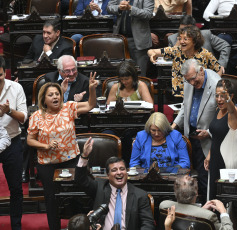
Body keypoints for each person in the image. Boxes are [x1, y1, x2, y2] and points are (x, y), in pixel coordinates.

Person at [27, 74, 98, 230]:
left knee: (84, 190)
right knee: (51, 199)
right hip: (47, 163)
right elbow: (30, 140)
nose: (55, 97)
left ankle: (88, 224)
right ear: (44, 99)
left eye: (57, 94)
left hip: (71, 159)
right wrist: (45, 146)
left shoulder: (69, 108)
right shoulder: (37, 116)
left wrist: (92, 89)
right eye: (50, 95)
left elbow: (90, 105)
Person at [75, 138, 155, 230]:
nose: (119, 173)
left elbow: (148, 224)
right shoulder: (100, 187)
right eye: (114, 170)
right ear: (108, 175)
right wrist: (84, 156)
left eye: (122, 169)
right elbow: (81, 180)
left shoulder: (140, 195)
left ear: (126, 172)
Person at [171, 59, 220, 203]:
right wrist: (173, 126)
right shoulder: (189, 80)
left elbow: (223, 115)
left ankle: (206, 209)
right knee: (188, 175)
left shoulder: (216, 84)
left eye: (193, 79)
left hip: (207, 139)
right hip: (191, 135)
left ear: (201, 70)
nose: (192, 83)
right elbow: (186, 106)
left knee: (205, 178)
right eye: (188, 80)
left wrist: (209, 132)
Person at [148, 25, 222, 97]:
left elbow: (219, 69)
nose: (181, 42)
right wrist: (152, 55)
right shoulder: (176, 51)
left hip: (199, 93)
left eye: (185, 39)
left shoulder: (205, 54)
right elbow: (151, 51)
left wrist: (214, 85)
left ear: (195, 41)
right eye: (180, 39)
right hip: (179, 93)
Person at [0, 56, 27, 230]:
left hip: (13, 142)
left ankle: (16, 226)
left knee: (16, 188)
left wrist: (8, 110)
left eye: (0, 75)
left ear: (5, 72)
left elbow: (24, 118)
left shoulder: (16, 87)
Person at [204, 79, 237, 200]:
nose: (219, 99)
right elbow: (215, 137)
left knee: (225, 197)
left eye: (223, 96)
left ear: (231, 96)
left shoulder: (234, 114)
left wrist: (227, 99)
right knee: (213, 195)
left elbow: (232, 109)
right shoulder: (218, 110)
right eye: (217, 95)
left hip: (227, 160)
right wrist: (209, 155)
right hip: (215, 158)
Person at [160, 175, 234, 230]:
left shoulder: (164, 205)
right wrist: (223, 212)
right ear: (197, 193)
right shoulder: (209, 216)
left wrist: (201, 210)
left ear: (175, 192)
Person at [107, 0, 154, 77]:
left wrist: (130, 8)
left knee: (140, 74)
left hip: (138, 40)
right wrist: (119, 7)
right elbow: (109, 8)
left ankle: (141, 89)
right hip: (119, 39)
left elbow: (148, 14)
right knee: (120, 73)